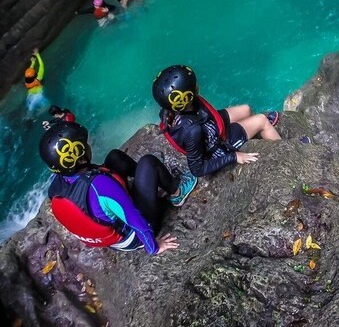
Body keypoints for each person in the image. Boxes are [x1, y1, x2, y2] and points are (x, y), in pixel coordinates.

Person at [41, 121, 197, 255]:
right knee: (148, 162)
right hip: (132, 236)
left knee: (115, 157)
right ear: (81, 158)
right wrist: (154, 247)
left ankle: (149, 179)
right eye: (84, 145)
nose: (88, 145)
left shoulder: (58, 183)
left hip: (112, 237)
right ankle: (177, 193)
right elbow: (134, 219)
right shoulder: (100, 185)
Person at [152, 65, 281, 177]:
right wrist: (234, 156)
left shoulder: (172, 109)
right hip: (215, 145)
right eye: (193, 85)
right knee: (262, 120)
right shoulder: (192, 131)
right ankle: (283, 148)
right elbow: (197, 169)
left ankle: (255, 129)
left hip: (206, 122)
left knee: (246, 109)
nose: (197, 85)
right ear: (189, 96)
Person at [24, 48, 49, 117]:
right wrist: (37, 54)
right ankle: (36, 116)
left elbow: (30, 71)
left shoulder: (27, 81)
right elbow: (42, 66)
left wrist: (33, 62)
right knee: (47, 106)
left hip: (29, 96)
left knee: (30, 111)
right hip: (38, 96)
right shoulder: (38, 79)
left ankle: (28, 119)